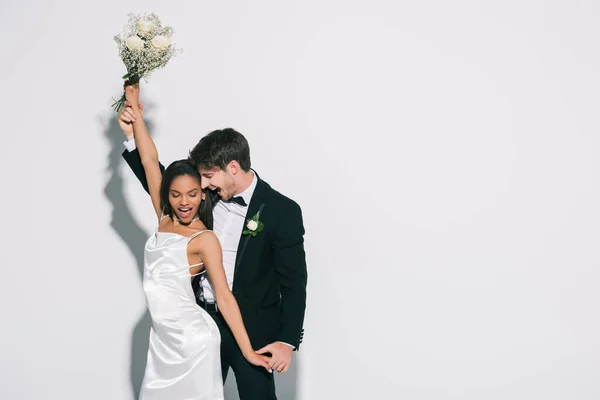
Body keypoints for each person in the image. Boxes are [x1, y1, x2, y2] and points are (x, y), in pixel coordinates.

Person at [119, 92, 308, 400]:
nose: (203, 186)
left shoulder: (281, 210)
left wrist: (287, 341)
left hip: (252, 330)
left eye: (207, 177)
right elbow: (165, 181)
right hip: (199, 322)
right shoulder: (200, 200)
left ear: (232, 167)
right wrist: (133, 133)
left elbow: (294, 281)